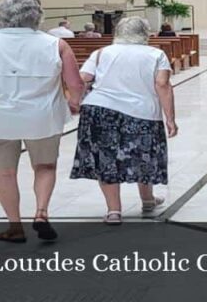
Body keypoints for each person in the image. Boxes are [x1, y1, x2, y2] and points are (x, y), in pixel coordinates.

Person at [0, 0, 85, 243]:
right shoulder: (56, 44)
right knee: (45, 166)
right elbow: (75, 83)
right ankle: (41, 213)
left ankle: (15, 226)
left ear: (1, 17)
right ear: (37, 17)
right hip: (42, 115)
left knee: (4, 172)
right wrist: (74, 103)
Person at [70, 17, 177, 225]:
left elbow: (82, 78)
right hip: (141, 111)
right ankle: (147, 199)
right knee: (143, 155)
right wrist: (170, 118)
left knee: (106, 158)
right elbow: (162, 85)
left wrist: (74, 101)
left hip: (100, 110)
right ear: (145, 33)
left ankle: (114, 211)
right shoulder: (156, 54)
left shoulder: (101, 53)